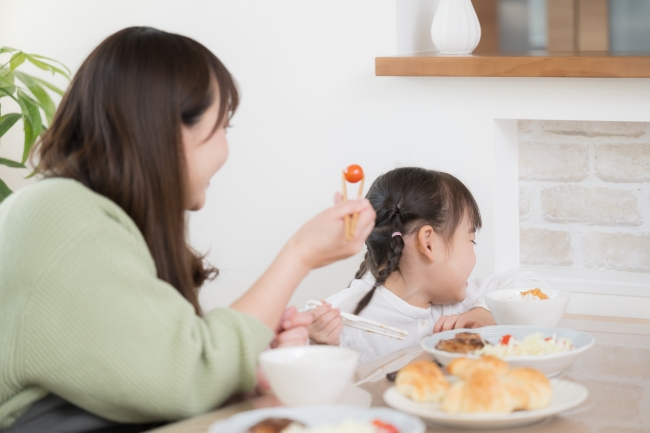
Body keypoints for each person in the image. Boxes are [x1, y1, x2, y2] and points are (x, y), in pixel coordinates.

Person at [0, 27, 375, 432]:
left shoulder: (94, 218)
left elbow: (153, 375)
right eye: (222, 127)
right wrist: (300, 253)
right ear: (165, 128)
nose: (225, 151)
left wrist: (248, 365)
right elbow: (192, 372)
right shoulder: (61, 215)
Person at [308, 167, 495, 362]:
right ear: (428, 243)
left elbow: (526, 280)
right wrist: (322, 349)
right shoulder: (339, 318)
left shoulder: (462, 305)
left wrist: (483, 314)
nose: (474, 255)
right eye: (471, 240)